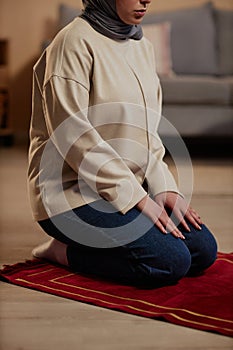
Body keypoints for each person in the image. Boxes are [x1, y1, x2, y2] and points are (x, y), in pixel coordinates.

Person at [28, 0, 217, 287]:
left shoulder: (142, 46)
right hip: (70, 195)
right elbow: (74, 139)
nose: (146, 0)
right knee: (170, 261)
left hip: (124, 186)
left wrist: (164, 188)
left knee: (203, 250)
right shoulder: (72, 44)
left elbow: (148, 132)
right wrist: (138, 198)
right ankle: (62, 251)